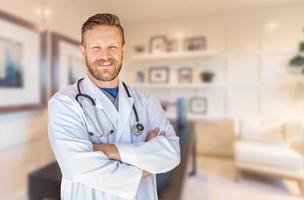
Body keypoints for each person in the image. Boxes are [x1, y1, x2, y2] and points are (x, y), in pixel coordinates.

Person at [48, 13, 180, 200]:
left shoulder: (146, 100)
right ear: (83, 51)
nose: (105, 56)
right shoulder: (64, 103)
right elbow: (77, 167)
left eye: (112, 47)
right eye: (96, 48)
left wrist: (108, 150)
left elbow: (172, 153)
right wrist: (148, 158)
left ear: (123, 49)